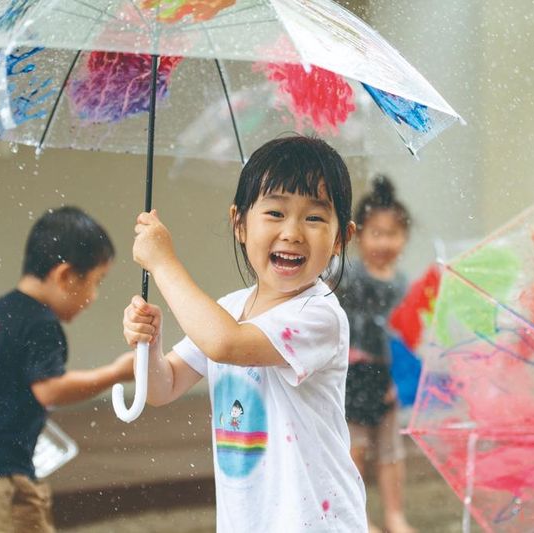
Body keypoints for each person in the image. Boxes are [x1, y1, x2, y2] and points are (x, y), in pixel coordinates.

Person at [122, 135, 366, 532]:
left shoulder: (319, 315)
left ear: (342, 238)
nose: (293, 232)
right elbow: (162, 388)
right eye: (274, 212)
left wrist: (163, 263)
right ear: (239, 223)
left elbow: (226, 343)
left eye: (315, 218)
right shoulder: (231, 309)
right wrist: (148, 343)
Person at [0, 206, 136, 533]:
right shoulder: (42, 324)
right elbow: (50, 389)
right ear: (65, 276)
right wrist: (115, 373)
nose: (94, 296)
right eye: (95, 282)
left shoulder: (0, 308)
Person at [336, 175, 416, 533]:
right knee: (354, 450)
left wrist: (403, 380)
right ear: (359, 234)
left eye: (393, 234)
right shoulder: (347, 274)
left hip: (388, 375)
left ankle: (395, 515)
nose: (384, 242)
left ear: (405, 238)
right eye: (376, 233)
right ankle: (359, 518)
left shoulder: (402, 283)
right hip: (352, 374)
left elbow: (409, 333)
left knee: (390, 452)